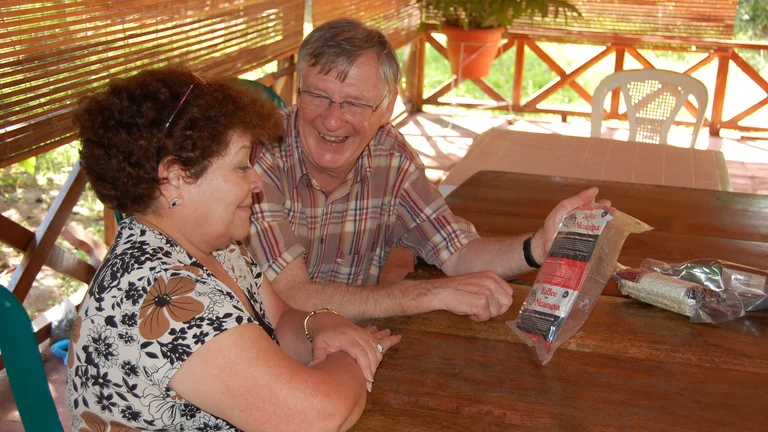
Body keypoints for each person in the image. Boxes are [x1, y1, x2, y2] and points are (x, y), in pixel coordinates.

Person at [66, 66, 400, 431]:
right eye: (241, 166)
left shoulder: (215, 246)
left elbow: (281, 318)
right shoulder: (159, 294)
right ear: (174, 178)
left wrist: (320, 324)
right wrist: (360, 353)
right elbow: (314, 417)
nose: (256, 182)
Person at [249, 18, 609, 323]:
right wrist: (425, 294)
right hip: (250, 350)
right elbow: (290, 297)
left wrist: (538, 246)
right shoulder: (260, 155)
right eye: (317, 96)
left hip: (340, 343)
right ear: (297, 91)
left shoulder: (391, 158)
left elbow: (456, 252)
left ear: (387, 107)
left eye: (354, 104)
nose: (331, 118)